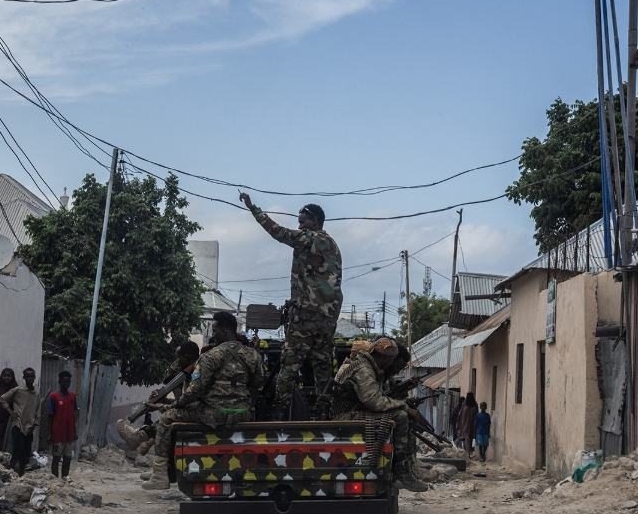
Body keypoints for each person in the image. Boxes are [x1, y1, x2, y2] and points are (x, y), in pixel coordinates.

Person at [239, 192, 342, 420]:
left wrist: (253, 208)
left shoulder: (308, 239)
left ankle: (279, 410)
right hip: (328, 317)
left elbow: (278, 232)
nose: (299, 226)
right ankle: (324, 411)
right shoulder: (333, 244)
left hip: (305, 314)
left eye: (303, 222)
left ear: (314, 221)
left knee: (290, 363)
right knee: (323, 364)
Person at [143, 311, 263, 490]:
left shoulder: (210, 357)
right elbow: (257, 385)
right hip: (243, 414)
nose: (213, 335)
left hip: (215, 414)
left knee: (167, 418)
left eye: (214, 331)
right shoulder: (253, 355)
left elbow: (194, 391)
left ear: (224, 331)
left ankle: (160, 474)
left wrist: (171, 406)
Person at [328, 337, 427, 492]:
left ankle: (398, 469)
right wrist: (405, 407)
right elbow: (375, 401)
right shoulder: (364, 369)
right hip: (344, 415)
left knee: (400, 413)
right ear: (387, 358)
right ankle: (401, 471)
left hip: (355, 410)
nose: (393, 367)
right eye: (392, 361)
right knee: (400, 416)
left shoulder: (369, 367)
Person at [118, 340, 200, 455]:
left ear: (186, 357)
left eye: (178, 357)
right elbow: (183, 400)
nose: (177, 361)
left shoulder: (197, 372)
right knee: (169, 418)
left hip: (200, 412)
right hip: (195, 409)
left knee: (168, 417)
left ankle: (140, 437)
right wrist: (164, 401)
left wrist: (159, 407)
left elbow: (187, 402)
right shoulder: (189, 372)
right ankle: (144, 443)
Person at [0, 367, 40, 475]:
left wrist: (34, 426)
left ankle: (21, 476)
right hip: (18, 426)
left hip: (29, 428)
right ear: (24, 377)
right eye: (28, 376)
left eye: (32, 376)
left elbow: (38, 412)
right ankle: (8, 475)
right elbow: (2, 398)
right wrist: (11, 412)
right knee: (17, 452)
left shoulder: (36, 394)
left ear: (35, 377)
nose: (30, 378)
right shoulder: (18, 390)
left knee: (26, 455)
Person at [46, 371, 78, 479]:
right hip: (57, 433)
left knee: (67, 458)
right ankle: (55, 481)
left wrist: (74, 431)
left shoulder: (72, 396)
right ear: (59, 382)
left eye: (68, 382)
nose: (66, 384)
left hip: (69, 434)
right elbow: (50, 416)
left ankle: (64, 479)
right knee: (56, 458)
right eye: (64, 382)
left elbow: (74, 414)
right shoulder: (53, 396)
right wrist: (50, 433)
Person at [458, 393, 479, 457]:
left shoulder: (475, 404)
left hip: (472, 424)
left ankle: (468, 451)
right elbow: (461, 413)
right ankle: (467, 452)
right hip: (465, 423)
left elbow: (476, 414)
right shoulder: (465, 403)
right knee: (467, 437)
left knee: (470, 437)